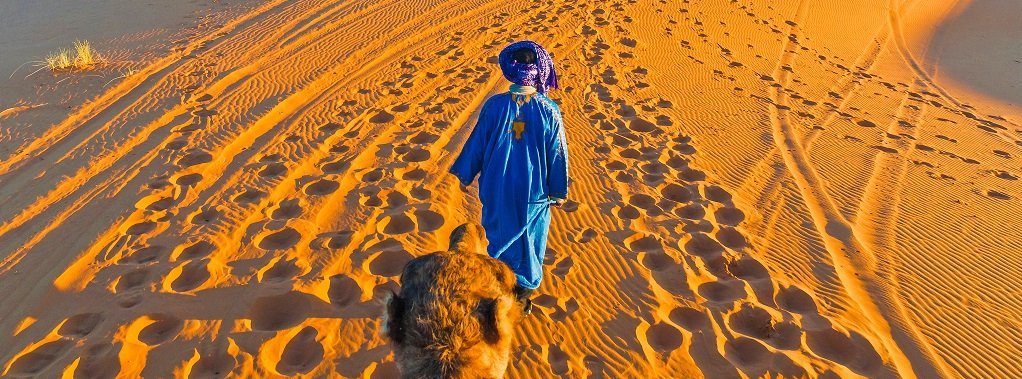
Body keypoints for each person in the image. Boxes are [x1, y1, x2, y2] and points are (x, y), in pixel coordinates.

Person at [449, 40, 569, 315]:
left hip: (497, 187)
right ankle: (521, 299)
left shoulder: (495, 106)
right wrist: (559, 190)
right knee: (529, 241)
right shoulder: (549, 110)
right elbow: (557, 152)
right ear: (540, 69)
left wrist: (465, 174)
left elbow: (477, 143)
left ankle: (498, 291)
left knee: (498, 237)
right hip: (534, 191)